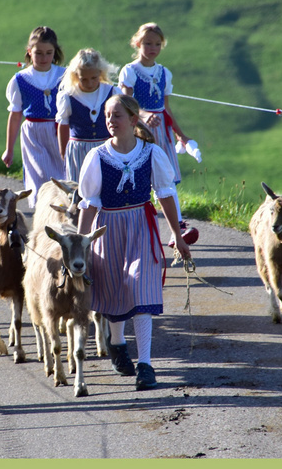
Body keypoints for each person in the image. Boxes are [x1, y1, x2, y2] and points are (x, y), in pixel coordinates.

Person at [76, 92, 190, 390]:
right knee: (114, 292)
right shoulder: (97, 157)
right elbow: (89, 203)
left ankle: (146, 364)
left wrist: (177, 234)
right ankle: (116, 342)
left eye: (116, 116)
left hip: (141, 225)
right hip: (108, 227)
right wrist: (79, 244)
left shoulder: (151, 153)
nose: (110, 121)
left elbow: (165, 194)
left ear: (133, 119)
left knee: (140, 290)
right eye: (107, 116)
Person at [118, 22, 195, 244]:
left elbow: (166, 107)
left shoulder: (164, 73)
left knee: (166, 176)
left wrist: (180, 134)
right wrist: (142, 116)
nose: (153, 48)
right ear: (137, 43)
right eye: (148, 43)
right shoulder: (130, 71)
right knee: (140, 175)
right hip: (138, 129)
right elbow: (127, 102)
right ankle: (140, 225)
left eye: (157, 44)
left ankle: (177, 227)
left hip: (162, 129)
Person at [1, 26, 65, 212]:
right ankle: (42, 218)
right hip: (34, 134)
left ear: (55, 52)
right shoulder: (20, 79)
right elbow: (15, 115)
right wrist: (9, 149)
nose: (44, 58)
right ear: (29, 52)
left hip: (60, 130)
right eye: (38, 53)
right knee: (40, 177)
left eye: (49, 53)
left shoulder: (64, 75)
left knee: (62, 177)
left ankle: (62, 218)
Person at [56, 48, 118, 184]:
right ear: (76, 75)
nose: (89, 83)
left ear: (100, 73)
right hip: (79, 149)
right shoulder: (69, 96)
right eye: (84, 79)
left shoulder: (111, 92)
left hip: (106, 147)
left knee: (106, 185)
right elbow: (63, 125)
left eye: (93, 78)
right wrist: (63, 152)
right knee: (80, 188)